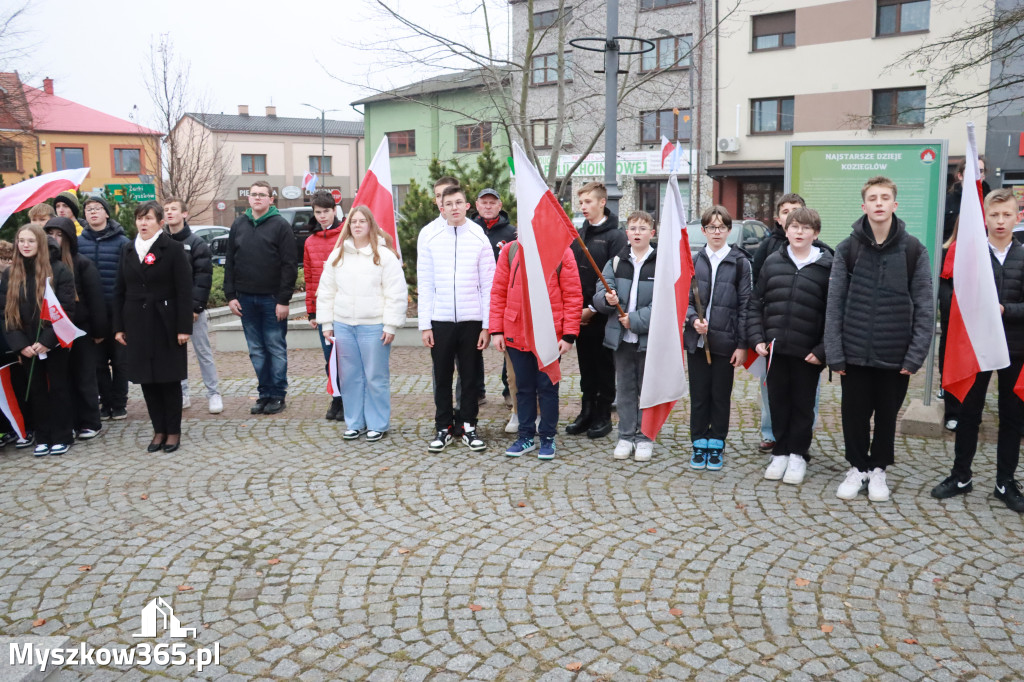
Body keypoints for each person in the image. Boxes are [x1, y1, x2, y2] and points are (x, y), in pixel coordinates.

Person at [825, 176, 933, 503]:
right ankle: (858, 468)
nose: (879, 203)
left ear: (895, 205)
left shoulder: (913, 250)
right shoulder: (848, 248)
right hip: (855, 352)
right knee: (854, 414)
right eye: (873, 198)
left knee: (887, 416)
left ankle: (879, 470)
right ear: (864, 206)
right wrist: (835, 353)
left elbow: (925, 306)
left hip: (895, 354)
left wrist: (915, 356)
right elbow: (834, 303)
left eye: (885, 197)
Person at [931, 189, 1024, 512]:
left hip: (1015, 348)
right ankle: (961, 476)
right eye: (994, 215)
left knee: (1012, 417)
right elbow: (956, 298)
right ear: (983, 218)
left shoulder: (1023, 256)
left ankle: (1005, 481)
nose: (1000, 221)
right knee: (969, 413)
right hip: (975, 348)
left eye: (1006, 215)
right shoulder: (972, 256)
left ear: (1017, 217)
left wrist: (1004, 310)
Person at [748, 207, 833, 485]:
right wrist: (757, 338)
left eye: (806, 228)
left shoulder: (827, 266)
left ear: (815, 233)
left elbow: (834, 312)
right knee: (778, 402)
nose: (799, 232)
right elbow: (756, 303)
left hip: (807, 352)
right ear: (786, 230)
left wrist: (822, 350)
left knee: (803, 405)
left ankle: (797, 454)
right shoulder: (773, 261)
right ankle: (781, 452)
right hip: (775, 350)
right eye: (795, 227)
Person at [317, 206, 407, 441]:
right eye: (353, 222)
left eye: (362, 221)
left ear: (370, 225)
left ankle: (377, 423)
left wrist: (390, 325)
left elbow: (395, 292)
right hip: (344, 325)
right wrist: (326, 323)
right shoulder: (338, 255)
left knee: (375, 377)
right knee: (350, 377)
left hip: (374, 326)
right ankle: (355, 422)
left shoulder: (384, 255)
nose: (357, 225)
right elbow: (326, 291)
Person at [417, 185, 494, 452]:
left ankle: (469, 426)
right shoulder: (430, 237)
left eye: (458, 202)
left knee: (470, 375)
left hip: (472, 320)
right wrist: (425, 324)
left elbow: (488, 284)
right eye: (448, 203)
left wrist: (487, 325)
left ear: (467, 205)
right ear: (441, 207)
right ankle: (443, 426)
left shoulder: (478, 236)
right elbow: (425, 283)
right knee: (442, 375)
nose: (454, 208)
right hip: (441, 320)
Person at [491, 236, 581, 461]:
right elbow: (499, 292)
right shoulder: (510, 251)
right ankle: (526, 436)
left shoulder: (562, 252)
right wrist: (497, 330)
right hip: (516, 330)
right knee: (523, 388)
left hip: (549, 333)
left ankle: (548, 436)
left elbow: (572, 295)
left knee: (547, 387)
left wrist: (569, 334)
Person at [113, 202, 193, 453]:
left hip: (165, 322)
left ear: (160, 223)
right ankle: (158, 429)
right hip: (136, 322)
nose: (143, 223)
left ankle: (173, 431)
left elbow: (184, 290)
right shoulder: (127, 249)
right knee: (147, 381)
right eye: (139, 219)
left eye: (148, 218)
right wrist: (118, 326)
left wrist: (183, 327)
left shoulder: (173, 248)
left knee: (168, 379)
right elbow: (119, 291)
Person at [0, 224, 76, 456]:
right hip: (26, 346)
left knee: (58, 388)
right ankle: (42, 436)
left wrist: (46, 340)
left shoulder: (59, 270)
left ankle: (62, 435)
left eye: (30, 241)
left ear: (40, 243)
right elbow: (5, 313)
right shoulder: (10, 274)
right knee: (36, 390)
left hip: (52, 341)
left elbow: (66, 309)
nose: (25, 245)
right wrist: (21, 345)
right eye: (21, 241)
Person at [224, 181, 298, 415]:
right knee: (256, 349)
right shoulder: (238, 224)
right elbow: (230, 262)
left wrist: (284, 300)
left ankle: (277, 395)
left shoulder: (281, 226)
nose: (256, 198)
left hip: (272, 299)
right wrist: (230, 295)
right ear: (249, 199)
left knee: (275, 347)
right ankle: (264, 393)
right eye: (253, 194)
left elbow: (289, 266)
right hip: (245, 299)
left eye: (261, 195)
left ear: (270, 199)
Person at [685, 206, 751, 471]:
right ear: (703, 230)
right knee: (699, 394)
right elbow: (685, 300)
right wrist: (693, 320)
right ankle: (699, 441)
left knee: (720, 395)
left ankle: (717, 442)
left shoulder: (740, 262)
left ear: (728, 230)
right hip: (697, 342)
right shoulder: (694, 260)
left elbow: (746, 305)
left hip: (726, 341)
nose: (716, 232)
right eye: (711, 227)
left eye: (721, 227)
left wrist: (742, 344)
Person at [594, 211, 657, 462]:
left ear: (652, 233)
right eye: (633, 228)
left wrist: (636, 320)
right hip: (621, 338)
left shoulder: (660, 262)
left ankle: (645, 436)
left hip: (647, 337)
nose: (637, 232)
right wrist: (607, 301)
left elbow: (665, 303)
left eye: (643, 228)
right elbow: (600, 293)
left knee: (647, 389)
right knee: (625, 388)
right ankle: (626, 435)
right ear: (627, 233)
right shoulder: (617, 262)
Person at [567, 182, 627, 439]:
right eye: (581, 203)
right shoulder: (580, 235)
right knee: (586, 365)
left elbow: (617, 277)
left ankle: (603, 415)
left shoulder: (615, 236)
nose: (584, 207)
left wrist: (593, 307)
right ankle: (587, 411)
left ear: (602, 202)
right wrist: (576, 308)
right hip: (580, 314)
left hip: (603, 315)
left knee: (603, 366)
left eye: (588, 202)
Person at [750, 193, 805, 453]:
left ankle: (801, 436)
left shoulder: (821, 251)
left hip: (803, 333)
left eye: (796, 210)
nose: (791, 215)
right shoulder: (767, 248)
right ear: (778, 218)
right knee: (770, 387)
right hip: (772, 331)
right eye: (786, 211)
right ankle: (771, 432)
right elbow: (755, 292)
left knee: (806, 391)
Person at [44, 217, 107, 441]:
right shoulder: (44, 266)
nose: (54, 238)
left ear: (69, 238)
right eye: (50, 233)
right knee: (63, 379)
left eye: (59, 234)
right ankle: (68, 422)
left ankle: (90, 421)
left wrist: (99, 331)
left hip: (81, 329)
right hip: (53, 332)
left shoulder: (82, 263)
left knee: (84, 376)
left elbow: (96, 300)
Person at [163, 197, 222, 415]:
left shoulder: (196, 243)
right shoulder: (161, 241)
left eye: (174, 209)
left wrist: (195, 307)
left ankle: (213, 393)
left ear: (184, 214)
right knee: (175, 354)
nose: (169, 213)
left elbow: (203, 277)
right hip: (168, 309)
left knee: (203, 351)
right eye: (166, 210)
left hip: (192, 310)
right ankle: (182, 392)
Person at [78, 196, 130, 421]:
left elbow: (129, 277)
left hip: (117, 311)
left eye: (98, 209)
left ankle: (119, 404)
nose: (93, 213)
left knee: (120, 361)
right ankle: (105, 402)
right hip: (90, 313)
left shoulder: (122, 242)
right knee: (97, 363)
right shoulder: (79, 243)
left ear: (107, 213)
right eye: (89, 210)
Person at [470, 187, 519, 428]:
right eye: (484, 202)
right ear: (476, 205)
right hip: (474, 296)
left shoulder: (512, 233)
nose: (488, 206)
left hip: (504, 297)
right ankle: (476, 389)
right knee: (472, 344)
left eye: (492, 202)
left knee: (506, 344)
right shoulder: (468, 231)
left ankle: (508, 390)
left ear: (500, 206)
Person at [303, 190, 345, 421]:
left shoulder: (345, 237)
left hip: (347, 307)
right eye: (318, 212)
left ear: (334, 210)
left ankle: (348, 399)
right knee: (329, 357)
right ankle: (336, 397)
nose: (322, 216)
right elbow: (309, 277)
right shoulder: (310, 241)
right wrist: (311, 310)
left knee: (346, 357)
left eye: (326, 211)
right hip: (324, 309)